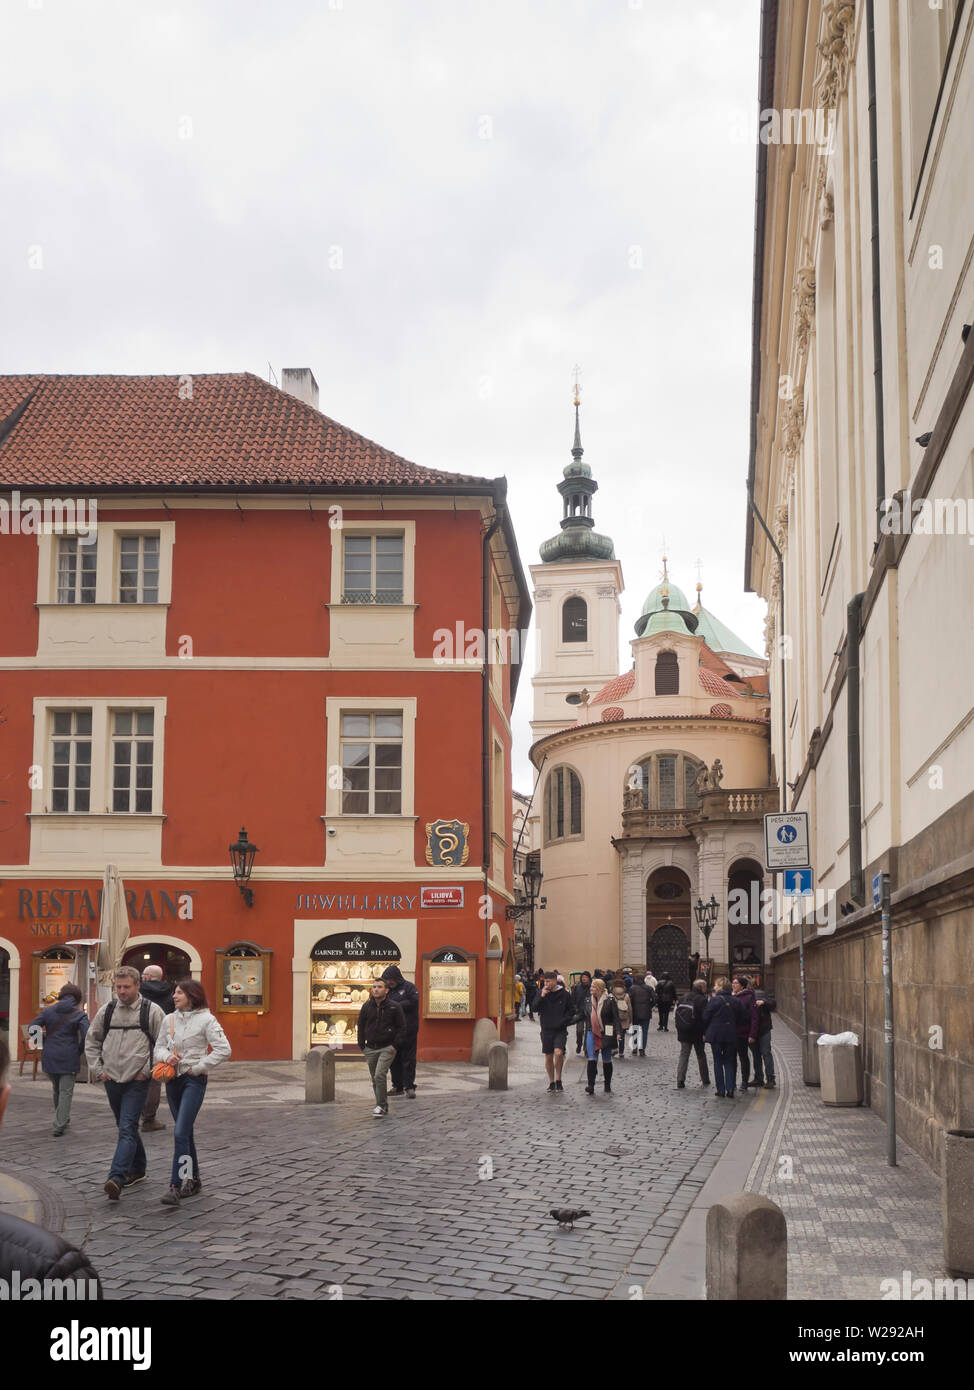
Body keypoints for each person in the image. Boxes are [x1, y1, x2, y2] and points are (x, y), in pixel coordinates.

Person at [0, 1036, 103, 1296]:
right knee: (65, 1092)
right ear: (3, 1103)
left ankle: (60, 1119)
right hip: (68, 1061)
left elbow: (36, 1030)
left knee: (60, 1091)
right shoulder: (53, 1273)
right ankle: (60, 1120)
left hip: (51, 1060)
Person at [84, 966, 166, 1200]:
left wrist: (147, 1072)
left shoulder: (152, 1011)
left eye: (126, 987)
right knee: (125, 1125)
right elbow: (92, 1041)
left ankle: (116, 1177)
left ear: (137, 985)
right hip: (111, 1078)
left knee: (127, 1126)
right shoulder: (107, 1010)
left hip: (137, 1080)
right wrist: (99, 1070)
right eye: (118, 987)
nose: (121, 991)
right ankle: (138, 1169)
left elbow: (163, 1044)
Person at [151, 978, 230, 1206]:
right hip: (172, 1079)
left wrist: (199, 1067)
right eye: (174, 993)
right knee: (184, 1133)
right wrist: (168, 1057)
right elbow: (158, 1048)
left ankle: (176, 1184)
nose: (174, 996)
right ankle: (194, 1179)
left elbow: (224, 1049)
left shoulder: (207, 1020)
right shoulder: (169, 1019)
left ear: (191, 996)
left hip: (193, 1081)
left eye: (178, 993)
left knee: (180, 1132)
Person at [27, 982, 89, 1136]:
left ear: (61, 995)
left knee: (56, 1089)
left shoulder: (48, 1011)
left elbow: (32, 1027)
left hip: (50, 1054)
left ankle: (62, 1118)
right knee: (66, 1091)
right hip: (69, 1055)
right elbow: (88, 1035)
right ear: (77, 998)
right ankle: (59, 1125)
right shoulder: (79, 1014)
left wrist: (42, 1041)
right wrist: (79, 1050)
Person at [356, 977, 406, 1117]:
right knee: (375, 1078)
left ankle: (381, 1106)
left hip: (387, 1047)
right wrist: (362, 1045)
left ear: (386, 990)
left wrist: (395, 1046)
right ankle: (382, 1104)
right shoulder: (366, 1006)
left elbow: (402, 1028)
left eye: (379, 987)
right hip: (370, 1048)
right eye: (374, 987)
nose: (376, 989)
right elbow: (360, 1025)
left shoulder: (394, 1006)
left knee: (379, 1075)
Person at [138, 965, 175, 1132]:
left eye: (143, 975)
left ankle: (133, 1113)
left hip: (137, 1039)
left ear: (147, 976)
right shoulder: (169, 992)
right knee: (154, 1080)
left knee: (136, 1076)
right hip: (160, 1040)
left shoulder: (138, 991)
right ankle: (149, 1118)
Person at [381, 964, 420, 1099]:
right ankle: (397, 1086)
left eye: (389, 979)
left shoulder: (410, 987)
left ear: (395, 977)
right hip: (393, 1032)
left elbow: (414, 1001)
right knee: (394, 1060)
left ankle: (409, 1086)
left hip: (409, 1031)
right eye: (386, 980)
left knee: (408, 1059)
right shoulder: (387, 990)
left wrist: (396, 1006)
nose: (388, 982)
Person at [535, 971, 576, 1092]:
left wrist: (564, 1020)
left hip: (560, 1029)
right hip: (546, 1029)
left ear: (554, 981)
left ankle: (559, 1079)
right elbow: (534, 1008)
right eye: (545, 982)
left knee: (558, 1053)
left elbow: (572, 1010)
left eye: (548, 981)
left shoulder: (564, 994)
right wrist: (541, 995)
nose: (546, 984)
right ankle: (552, 1082)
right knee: (548, 1056)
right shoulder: (542, 993)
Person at [581, 978, 620, 1095]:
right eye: (591, 986)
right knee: (592, 1058)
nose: (590, 988)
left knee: (607, 1059)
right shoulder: (588, 1000)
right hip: (591, 1031)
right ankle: (590, 1085)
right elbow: (582, 1015)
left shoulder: (610, 1000)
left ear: (599, 989)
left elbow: (615, 1018)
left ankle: (607, 1084)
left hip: (606, 1032)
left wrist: (618, 1032)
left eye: (593, 987)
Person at [702, 977, 739, 1098]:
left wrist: (705, 1031)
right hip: (731, 1034)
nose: (714, 987)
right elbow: (744, 1016)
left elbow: (705, 1017)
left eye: (716, 985)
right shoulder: (735, 1000)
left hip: (716, 1035)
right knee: (729, 1061)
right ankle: (730, 1089)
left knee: (718, 1061)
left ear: (721, 987)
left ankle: (721, 1089)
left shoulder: (714, 1000)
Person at [674, 980, 710, 1089]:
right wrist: (705, 1032)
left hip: (683, 1030)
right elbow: (705, 1018)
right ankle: (705, 1079)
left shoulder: (683, 997)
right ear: (702, 988)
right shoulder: (702, 1000)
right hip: (697, 1031)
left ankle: (680, 1080)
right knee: (701, 1055)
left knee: (684, 1055)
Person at [731, 974, 759, 1092]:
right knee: (731, 1058)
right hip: (731, 1033)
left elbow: (754, 1017)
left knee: (743, 1057)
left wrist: (752, 1034)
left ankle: (744, 1081)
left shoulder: (748, 997)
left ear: (742, 986)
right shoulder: (731, 996)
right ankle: (731, 1081)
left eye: (736, 983)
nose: (733, 985)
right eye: (733, 983)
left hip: (742, 1032)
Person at [752, 982, 777, 1088]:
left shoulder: (760, 993)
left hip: (764, 1029)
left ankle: (770, 1078)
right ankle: (759, 1078)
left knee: (766, 1053)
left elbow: (772, 1003)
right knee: (756, 1054)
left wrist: (763, 1002)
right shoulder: (740, 995)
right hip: (752, 1031)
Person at [628, 974, 655, 1056]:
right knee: (644, 1031)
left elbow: (629, 1000)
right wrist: (650, 1005)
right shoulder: (649, 988)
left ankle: (635, 1047)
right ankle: (642, 1049)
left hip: (635, 1012)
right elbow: (655, 998)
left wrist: (632, 1008)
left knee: (635, 1030)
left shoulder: (632, 988)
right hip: (646, 1012)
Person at [610, 977, 632, 1057]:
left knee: (613, 1034)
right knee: (622, 1036)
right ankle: (621, 1052)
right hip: (624, 1018)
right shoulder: (626, 995)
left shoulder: (611, 995)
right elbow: (630, 1008)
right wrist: (630, 1019)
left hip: (613, 1019)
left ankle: (614, 1048)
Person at [571, 971, 592, 1054]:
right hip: (579, 1012)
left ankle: (586, 1048)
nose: (584, 978)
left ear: (589, 978)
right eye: (583, 977)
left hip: (589, 1013)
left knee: (588, 1032)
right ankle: (579, 1044)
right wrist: (575, 1009)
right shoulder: (577, 987)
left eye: (586, 977)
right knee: (579, 1031)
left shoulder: (592, 987)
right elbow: (573, 999)